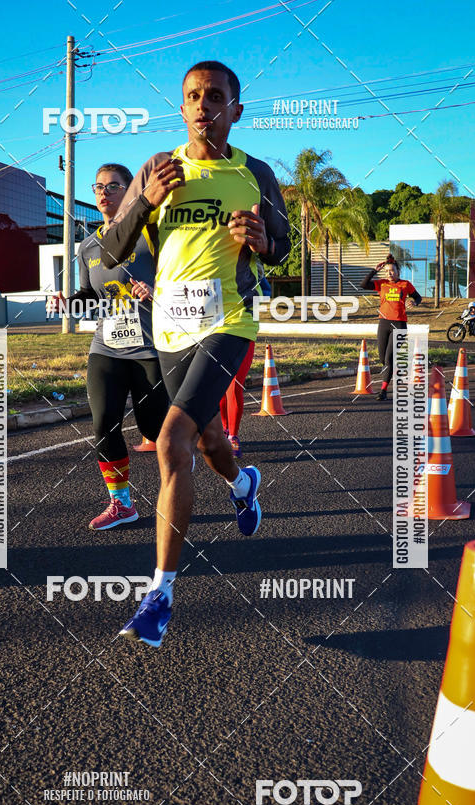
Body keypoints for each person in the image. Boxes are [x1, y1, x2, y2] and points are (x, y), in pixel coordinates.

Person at [98, 60, 291, 647]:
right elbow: (110, 251)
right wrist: (142, 201)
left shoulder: (255, 172)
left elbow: (281, 248)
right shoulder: (157, 170)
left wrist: (264, 240)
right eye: (192, 96)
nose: (203, 105)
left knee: (173, 438)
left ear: (235, 109)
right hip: (169, 330)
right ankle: (243, 485)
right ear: (181, 109)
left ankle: (159, 595)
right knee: (209, 440)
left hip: (229, 321)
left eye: (215, 96)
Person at [46, 163, 169, 530]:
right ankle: (122, 503)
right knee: (103, 424)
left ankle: (178, 486)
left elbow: (181, 283)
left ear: (131, 191)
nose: (103, 193)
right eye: (98, 186)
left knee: (155, 427)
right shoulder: (89, 247)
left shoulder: (153, 234)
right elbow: (90, 297)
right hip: (108, 347)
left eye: (113, 186)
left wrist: (156, 292)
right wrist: (69, 303)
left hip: (152, 349)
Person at [219, 262, 270, 457]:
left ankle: (233, 436)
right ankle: (224, 430)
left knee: (234, 385)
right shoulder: (216, 266)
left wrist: (250, 299)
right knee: (219, 388)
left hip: (244, 333)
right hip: (218, 332)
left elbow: (266, 291)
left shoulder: (253, 269)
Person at [361, 255, 422, 400]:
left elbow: (418, 297)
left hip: (399, 324)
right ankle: (394, 371)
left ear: (398, 271)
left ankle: (383, 391)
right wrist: (374, 271)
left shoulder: (405, 284)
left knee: (388, 358)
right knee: (383, 358)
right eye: (387, 271)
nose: (390, 273)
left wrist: (414, 303)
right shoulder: (381, 284)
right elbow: (363, 284)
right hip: (383, 323)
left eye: (392, 270)